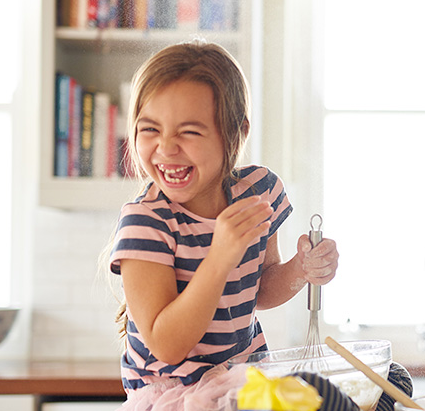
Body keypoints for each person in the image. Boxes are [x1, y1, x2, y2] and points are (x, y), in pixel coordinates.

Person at [107, 40, 344, 409]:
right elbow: (167, 345)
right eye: (150, 129)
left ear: (237, 132)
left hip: (239, 378)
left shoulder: (258, 192)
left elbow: (260, 289)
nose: (166, 148)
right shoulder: (146, 222)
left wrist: (301, 269)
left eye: (189, 131)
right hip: (176, 395)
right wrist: (220, 257)